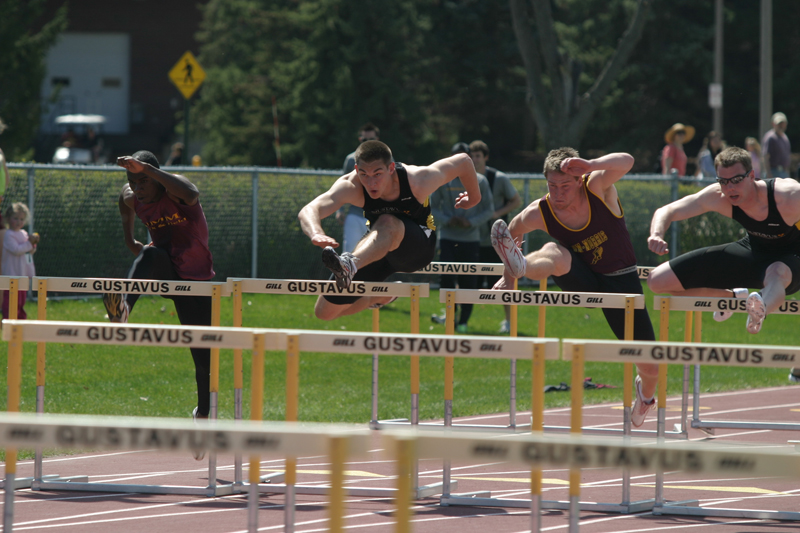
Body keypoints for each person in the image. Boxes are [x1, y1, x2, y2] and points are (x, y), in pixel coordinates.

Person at [490, 148, 659, 427]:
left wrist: (591, 164)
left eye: (565, 186)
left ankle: (645, 396)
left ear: (579, 180)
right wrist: (510, 282)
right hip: (580, 277)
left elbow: (628, 160)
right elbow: (509, 233)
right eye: (552, 186)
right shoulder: (540, 211)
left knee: (651, 366)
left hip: (621, 281)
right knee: (552, 251)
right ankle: (524, 268)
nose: (557, 194)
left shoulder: (596, 187)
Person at [104, 151, 214, 460]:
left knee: (203, 358)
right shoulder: (132, 196)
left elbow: (193, 192)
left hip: (195, 280)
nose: (137, 188)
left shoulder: (177, 193)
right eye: (132, 181)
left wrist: (150, 171)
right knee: (150, 254)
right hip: (165, 269)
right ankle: (123, 310)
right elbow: (122, 201)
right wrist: (130, 239)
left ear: (154, 176)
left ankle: (202, 416)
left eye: (143, 181)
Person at [298, 140, 481, 320]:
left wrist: (474, 198)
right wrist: (315, 232)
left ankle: (349, 264)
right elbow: (310, 209)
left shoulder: (418, 180)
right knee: (324, 312)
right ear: (356, 170)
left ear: (391, 168)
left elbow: (463, 161)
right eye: (364, 174)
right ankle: (376, 297)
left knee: (387, 221)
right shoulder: (352, 186)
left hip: (418, 248)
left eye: (377, 174)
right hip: (379, 251)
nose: (371, 183)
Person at [647, 146, 800, 337]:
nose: (730, 188)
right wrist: (656, 234)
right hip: (753, 250)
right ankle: (734, 297)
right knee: (657, 281)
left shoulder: (788, 196)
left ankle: (759, 310)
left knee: (778, 271)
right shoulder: (719, 196)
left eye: (736, 180)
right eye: (723, 181)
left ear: (752, 175)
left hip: (792, 260)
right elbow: (667, 211)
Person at [429, 142, 495, 333]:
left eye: (462, 158)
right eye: (454, 158)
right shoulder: (442, 180)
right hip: (448, 237)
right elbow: (432, 207)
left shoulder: (480, 181)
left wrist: (471, 222)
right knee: (447, 279)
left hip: (471, 238)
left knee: (469, 282)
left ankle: (464, 321)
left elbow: (488, 210)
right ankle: (450, 317)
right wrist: (448, 220)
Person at [469, 139, 522, 333]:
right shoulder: (466, 177)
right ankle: (458, 318)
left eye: (477, 156)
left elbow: (516, 200)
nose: (474, 160)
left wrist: (496, 214)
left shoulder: (498, 178)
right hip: (473, 237)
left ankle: (509, 321)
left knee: (505, 280)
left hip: (496, 241)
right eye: (471, 156)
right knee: (466, 279)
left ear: (485, 157)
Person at [336, 123, 380, 253]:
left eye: (371, 140)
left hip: (378, 216)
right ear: (360, 140)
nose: (368, 143)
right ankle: (345, 274)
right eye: (365, 140)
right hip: (355, 215)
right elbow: (342, 186)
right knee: (349, 253)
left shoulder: (387, 160)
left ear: (377, 140)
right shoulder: (351, 160)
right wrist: (340, 209)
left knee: (375, 255)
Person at [1, 203, 38, 320]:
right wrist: (29, 244)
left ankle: (21, 323)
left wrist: (33, 244)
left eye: (21, 219)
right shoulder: (8, 235)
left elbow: (29, 251)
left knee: (21, 301)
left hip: (22, 274)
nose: (19, 222)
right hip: (11, 275)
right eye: (15, 218)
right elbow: (16, 250)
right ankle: (9, 322)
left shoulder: (23, 233)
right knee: (10, 302)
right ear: (8, 219)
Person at [762, 112, 790, 179]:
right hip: (773, 171)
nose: (781, 126)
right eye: (779, 124)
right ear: (773, 124)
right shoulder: (770, 137)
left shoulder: (785, 138)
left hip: (783, 172)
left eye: (782, 123)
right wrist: (768, 173)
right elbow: (766, 156)